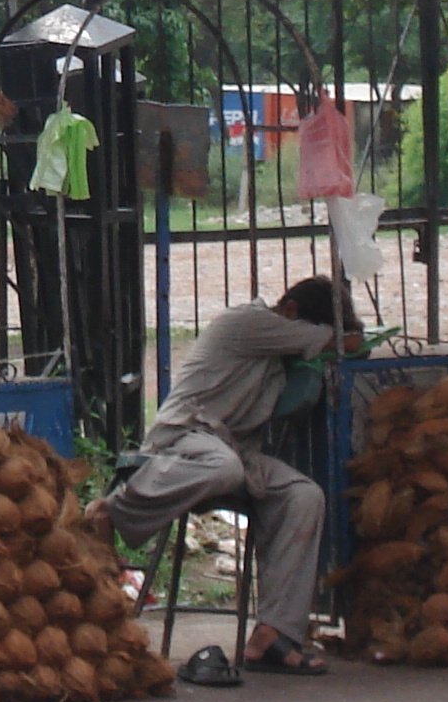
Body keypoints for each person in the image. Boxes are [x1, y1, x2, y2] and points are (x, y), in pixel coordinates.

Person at [84, 272, 366, 679]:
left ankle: (274, 633)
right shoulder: (250, 323)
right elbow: (346, 343)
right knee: (223, 466)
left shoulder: (282, 347)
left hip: (232, 449)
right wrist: (344, 335)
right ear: (290, 313)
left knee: (304, 494)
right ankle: (114, 511)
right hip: (183, 437)